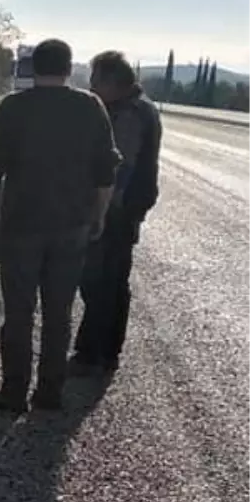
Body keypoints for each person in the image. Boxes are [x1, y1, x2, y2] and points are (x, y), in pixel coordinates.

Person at [0, 38, 118, 414]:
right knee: (59, 312)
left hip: (21, 225)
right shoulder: (91, 107)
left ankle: (13, 392)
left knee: (19, 313)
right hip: (71, 226)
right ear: (70, 69)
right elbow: (106, 172)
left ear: (32, 68)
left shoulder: (13, 108)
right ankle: (49, 393)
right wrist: (99, 215)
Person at [72, 51, 161, 373]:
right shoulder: (140, 107)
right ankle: (106, 351)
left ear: (112, 82)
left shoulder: (129, 114)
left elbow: (121, 166)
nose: (93, 88)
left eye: (96, 82)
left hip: (118, 208)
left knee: (99, 279)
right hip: (129, 206)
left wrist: (101, 209)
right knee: (113, 279)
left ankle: (91, 352)